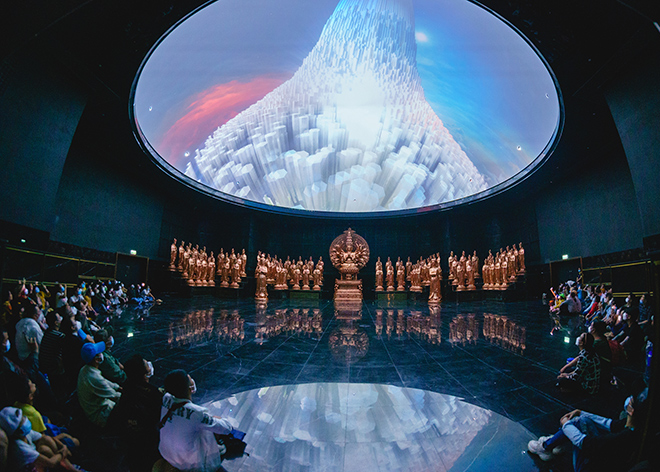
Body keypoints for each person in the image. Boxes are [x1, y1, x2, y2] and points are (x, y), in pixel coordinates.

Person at [527, 388, 649, 471]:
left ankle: (545, 447)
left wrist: (566, 425)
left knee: (576, 423)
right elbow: (609, 424)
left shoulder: (624, 437)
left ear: (631, 411)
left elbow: (584, 442)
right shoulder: (634, 427)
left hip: (588, 467)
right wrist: (581, 412)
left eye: (631, 402)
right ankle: (554, 442)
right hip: (603, 458)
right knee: (581, 419)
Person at [159, 369, 234, 472]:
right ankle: (213, 453)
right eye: (189, 378)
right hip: (189, 464)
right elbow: (226, 428)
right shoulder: (197, 413)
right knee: (207, 427)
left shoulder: (166, 398)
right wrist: (217, 419)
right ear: (190, 389)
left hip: (166, 453)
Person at [111, 355, 163, 471]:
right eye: (146, 365)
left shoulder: (127, 388)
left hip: (131, 444)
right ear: (144, 374)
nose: (149, 365)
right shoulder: (153, 394)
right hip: (150, 442)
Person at [0, 406, 86, 471]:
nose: (25, 419)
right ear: (17, 430)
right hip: (32, 468)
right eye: (22, 420)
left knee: (45, 443)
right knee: (46, 450)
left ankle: (70, 467)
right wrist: (62, 453)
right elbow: (51, 463)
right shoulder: (20, 447)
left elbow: (45, 437)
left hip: (41, 460)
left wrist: (63, 446)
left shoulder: (25, 434)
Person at [77, 341, 122, 428]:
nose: (102, 354)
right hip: (99, 415)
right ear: (97, 360)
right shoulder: (94, 378)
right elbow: (115, 396)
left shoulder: (85, 369)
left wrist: (117, 386)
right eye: (99, 353)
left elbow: (105, 382)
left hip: (93, 406)